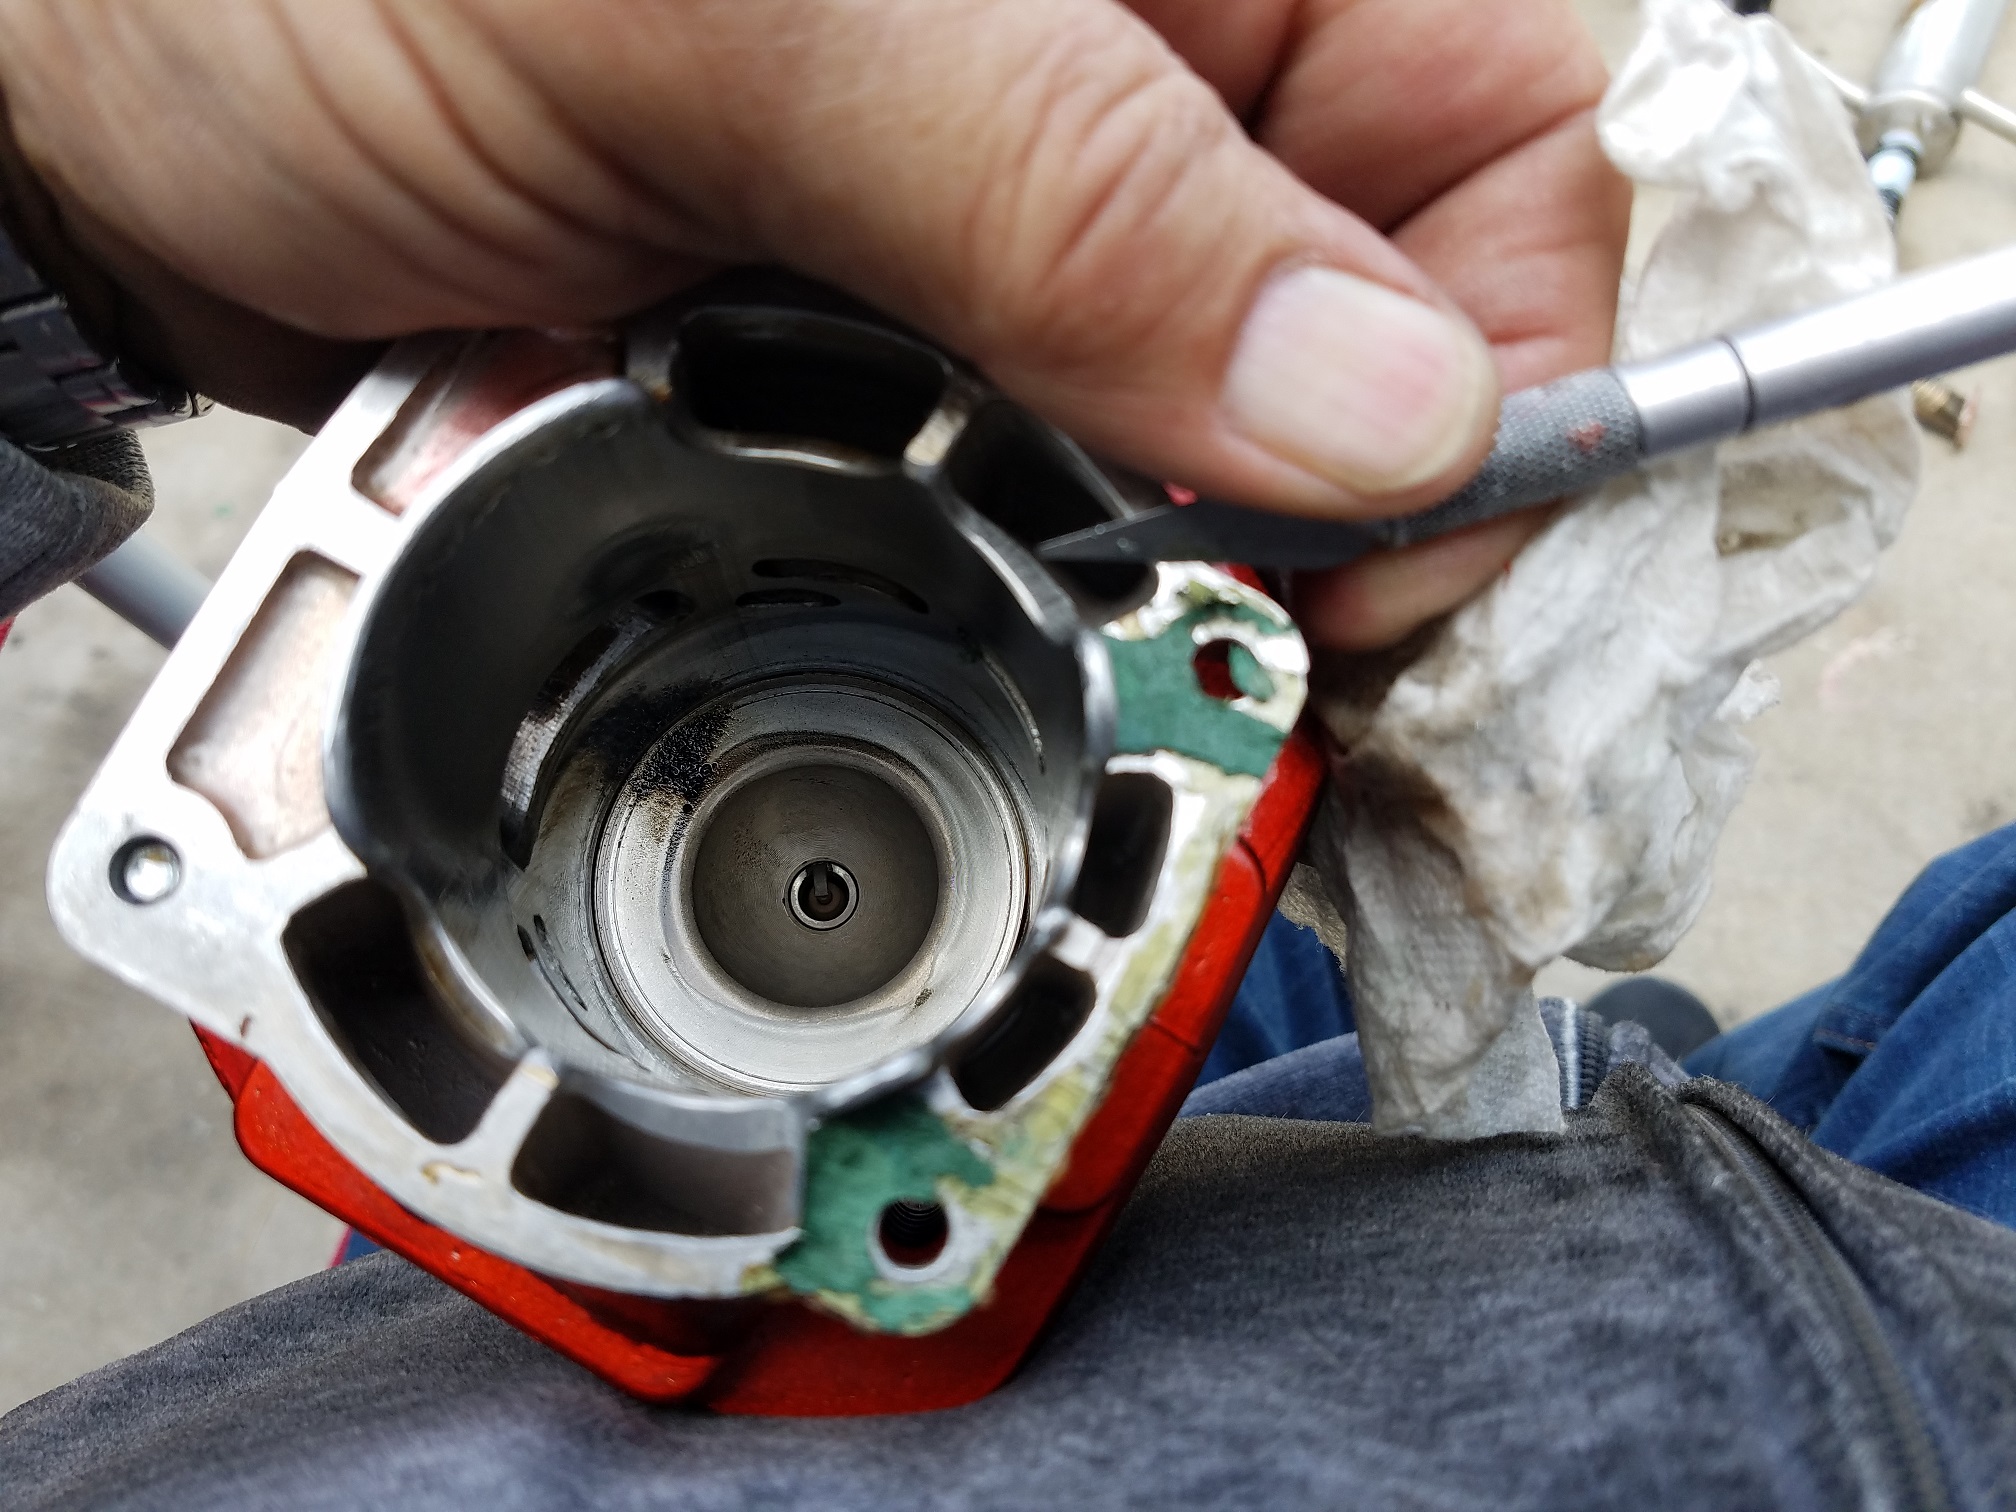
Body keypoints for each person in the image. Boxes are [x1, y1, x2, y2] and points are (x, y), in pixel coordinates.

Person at [0, 3, 2012, 1508]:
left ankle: (1626, 1091)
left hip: (1000, 970)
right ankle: (1640, 1098)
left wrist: (61, 191)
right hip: (1791, 1365)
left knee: (1284, 972)